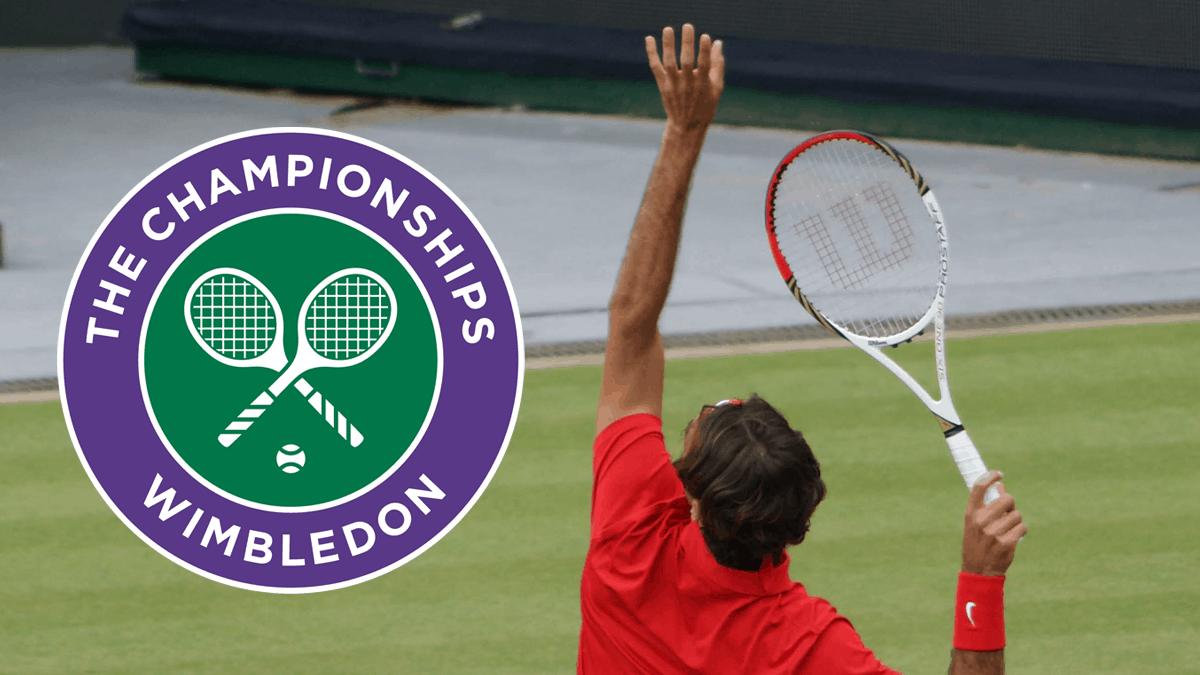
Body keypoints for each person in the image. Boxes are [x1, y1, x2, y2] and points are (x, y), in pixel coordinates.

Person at [577, 24, 1028, 674]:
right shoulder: (811, 646)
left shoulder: (631, 538)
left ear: (695, 503)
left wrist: (684, 131)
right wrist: (980, 580)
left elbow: (631, 322)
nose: (719, 402)